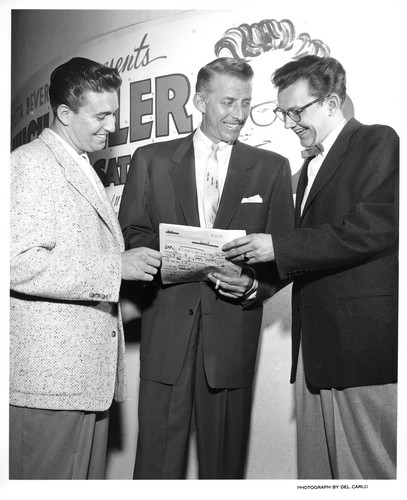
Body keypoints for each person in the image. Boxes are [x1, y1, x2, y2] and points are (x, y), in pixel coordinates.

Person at [223, 55, 398, 479]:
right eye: (283, 114)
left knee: (369, 475)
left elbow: (374, 227)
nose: (288, 123)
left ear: (332, 102)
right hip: (314, 355)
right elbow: (304, 257)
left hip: (362, 349)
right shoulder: (305, 170)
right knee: (320, 478)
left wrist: (277, 245)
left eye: (296, 112)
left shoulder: (377, 141)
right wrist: (251, 283)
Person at [118, 57, 294, 479]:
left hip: (232, 334)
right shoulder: (152, 159)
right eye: (228, 102)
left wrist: (253, 285)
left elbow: (283, 252)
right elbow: (132, 232)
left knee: (224, 469)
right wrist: (166, 255)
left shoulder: (272, 168)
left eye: (246, 104)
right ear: (200, 101)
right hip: (167, 331)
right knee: (156, 465)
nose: (238, 115)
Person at [10, 57, 162, 480]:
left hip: (82, 381)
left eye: (114, 113)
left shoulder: (78, 163)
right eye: (102, 115)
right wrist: (116, 267)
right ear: (63, 114)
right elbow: (16, 263)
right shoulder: (31, 163)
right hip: (50, 382)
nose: (111, 125)